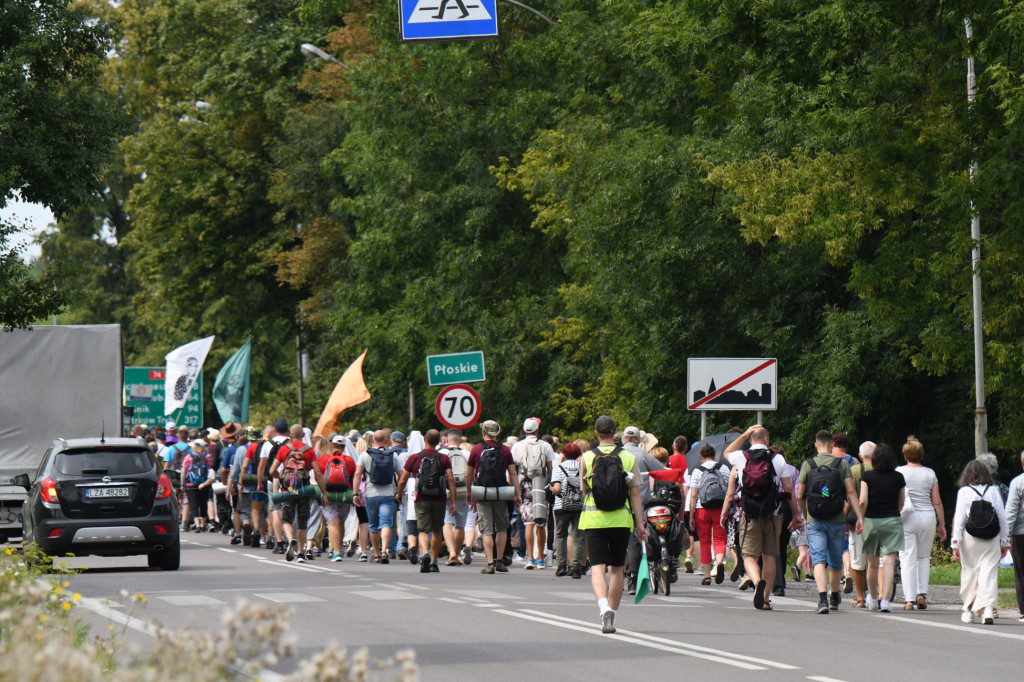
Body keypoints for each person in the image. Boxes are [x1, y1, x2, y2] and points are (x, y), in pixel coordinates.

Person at [722, 425, 802, 611]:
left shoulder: (742, 457)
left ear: (750, 440)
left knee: (749, 555)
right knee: (770, 556)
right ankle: (765, 600)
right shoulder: (778, 459)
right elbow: (789, 490)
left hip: (749, 514)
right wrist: (796, 515)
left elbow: (727, 452)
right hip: (773, 514)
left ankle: (758, 582)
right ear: (767, 439)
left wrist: (744, 434)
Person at [580, 415, 648, 634]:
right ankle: (613, 615)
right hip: (621, 519)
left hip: (595, 518)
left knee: (597, 567)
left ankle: (602, 607)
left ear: (596, 433)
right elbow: (635, 493)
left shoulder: (587, 457)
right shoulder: (627, 457)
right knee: (617, 567)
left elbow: (585, 489)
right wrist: (640, 524)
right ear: (614, 432)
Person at [796, 430, 862, 615]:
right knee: (835, 561)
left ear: (816, 445)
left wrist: (804, 513)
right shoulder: (841, 464)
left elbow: (800, 495)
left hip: (815, 519)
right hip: (837, 519)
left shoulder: (807, 465)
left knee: (818, 559)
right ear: (832, 445)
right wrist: (860, 517)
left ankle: (822, 599)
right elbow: (851, 492)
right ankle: (835, 595)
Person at [951, 459, 1010, 624]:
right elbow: (1002, 518)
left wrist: (955, 543)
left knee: (969, 572)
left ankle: (967, 609)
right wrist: (1005, 541)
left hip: (970, 538)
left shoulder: (964, 492)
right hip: (991, 538)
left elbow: (960, 519)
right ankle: (988, 610)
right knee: (989, 573)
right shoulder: (994, 491)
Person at [395, 429, 457, 574]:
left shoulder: (415, 458)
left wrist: (399, 494)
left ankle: (424, 555)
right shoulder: (443, 458)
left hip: (421, 498)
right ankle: (434, 561)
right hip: (440, 498)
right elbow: (451, 480)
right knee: (436, 530)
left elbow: (403, 479)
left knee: (422, 530)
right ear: (438, 442)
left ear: (425, 439)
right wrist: (453, 501)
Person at [896, 436, 947, 610]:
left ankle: (909, 599)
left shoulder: (899, 472)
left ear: (905, 455)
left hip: (907, 517)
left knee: (907, 557)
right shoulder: (930, 473)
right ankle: (921, 594)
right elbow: (937, 501)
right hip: (927, 517)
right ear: (921, 455)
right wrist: (942, 525)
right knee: (924, 557)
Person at [268, 424, 329, 563]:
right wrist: (323, 493)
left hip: (287, 490)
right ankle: (301, 552)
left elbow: (272, 470)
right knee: (303, 523)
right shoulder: (309, 451)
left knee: (287, 520)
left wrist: (282, 476)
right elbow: (317, 473)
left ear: (290, 435)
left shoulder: (284, 449)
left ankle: (291, 540)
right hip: (303, 490)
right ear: (303, 435)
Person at [466, 420, 520, 574]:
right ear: (497, 433)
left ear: (483, 432)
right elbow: (513, 473)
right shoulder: (504, 450)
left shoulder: (476, 449)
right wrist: (517, 494)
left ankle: (489, 563)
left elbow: (469, 473)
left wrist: (470, 493)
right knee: (502, 528)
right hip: (501, 493)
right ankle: (499, 561)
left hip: (482, 493)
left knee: (487, 529)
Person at [859, 443, 905, 613]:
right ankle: (885, 600)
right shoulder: (898, 477)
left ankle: (872, 598)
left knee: (872, 563)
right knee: (889, 562)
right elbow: (902, 502)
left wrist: (860, 519)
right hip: (892, 520)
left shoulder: (867, 476)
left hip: (871, 520)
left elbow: (863, 500)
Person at [620, 425, 665, 593]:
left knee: (627, 542)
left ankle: (626, 577)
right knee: (643, 538)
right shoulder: (643, 454)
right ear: (638, 440)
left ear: (624, 438)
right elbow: (660, 471)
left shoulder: (617, 454)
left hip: (620, 505)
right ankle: (642, 574)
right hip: (643, 503)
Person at [511, 418, 555, 569]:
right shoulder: (546, 446)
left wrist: (515, 490)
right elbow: (551, 469)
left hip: (525, 488)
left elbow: (512, 471)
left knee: (528, 523)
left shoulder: (517, 446)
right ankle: (540, 559)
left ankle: (529, 558)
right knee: (541, 523)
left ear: (524, 430)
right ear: (537, 430)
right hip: (540, 487)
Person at [353, 430, 399, 564]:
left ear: (373, 441)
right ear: (386, 441)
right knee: (386, 524)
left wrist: (356, 493)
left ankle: (377, 553)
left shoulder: (365, 455)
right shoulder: (393, 455)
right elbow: (401, 474)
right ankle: (385, 551)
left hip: (371, 494)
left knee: (373, 525)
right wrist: (398, 490)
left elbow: (357, 475)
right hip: (388, 494)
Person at [688, 444, 730, 585]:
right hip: (720, 508)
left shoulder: (697, 471)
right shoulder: (723, 468)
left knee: (705, 541)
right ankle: (718, 564)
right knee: (719, 539)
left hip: (702, 509)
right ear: (714, 455)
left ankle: (706, 575)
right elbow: (730, 490)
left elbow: (693, 495)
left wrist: (692, 515)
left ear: (701, 457)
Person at [318, 434, 357, 562]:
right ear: (344, 446)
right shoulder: (349, 460)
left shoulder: (324, 459)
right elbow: (353, 476)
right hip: (344, 495)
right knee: (340, 521)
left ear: (332, 445)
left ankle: (336, 552)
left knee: (332, 522)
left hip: (328, 494)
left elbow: (317, 475)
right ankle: (339, 547)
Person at [550, 442, 585, 578]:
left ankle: (561, 565)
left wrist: (551, 489)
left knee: (560, 535)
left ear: (563, 454)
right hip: (579, 506)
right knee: (579, 536)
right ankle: (576, 567)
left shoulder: (559, 468)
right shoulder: (583, 468)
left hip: (562, 506)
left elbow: (557, 488)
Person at [846, 441, 875, 607]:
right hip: (879, 520)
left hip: (857, 521)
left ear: (859, 456)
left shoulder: (854, 471)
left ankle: (860, 597)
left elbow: (849, 496)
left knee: (857, 560)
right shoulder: (884, 471)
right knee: (875, 561)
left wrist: (844, 517)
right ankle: (875, 595)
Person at [440, 429, 474, 566]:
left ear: (446, 440)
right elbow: (472, 473)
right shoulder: (467, 454)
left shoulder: (442, 453)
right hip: (462, 491)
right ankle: (458, 553)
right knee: (460, 525)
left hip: (446, 491)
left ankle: (451, 552)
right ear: (460, 440)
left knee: (447, 522)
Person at [259, 420, 291, 554]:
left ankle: (279, 542)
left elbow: (262, 466)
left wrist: (259, 482)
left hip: (273, 480)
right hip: (290, 480)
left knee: (275, 510)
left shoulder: (267, 444)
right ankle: (291, 539)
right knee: (289, 509)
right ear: (287, 430)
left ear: (275, 430)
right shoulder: (291, 444)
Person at [1005, 449, 1024, 623]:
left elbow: (1011, 512)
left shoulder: (1018, 483)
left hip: (1021, 533)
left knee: (1021, 572)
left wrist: (1006, 535)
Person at [181, 438, 213, 531]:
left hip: (191, 484)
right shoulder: (208, 457)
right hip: (204, 483)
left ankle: (197, 524)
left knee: (193, 504)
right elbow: (210, 470)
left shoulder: (189, 457)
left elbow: (184, 472)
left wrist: (182, 484)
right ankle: (203, 524)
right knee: (203, 503)